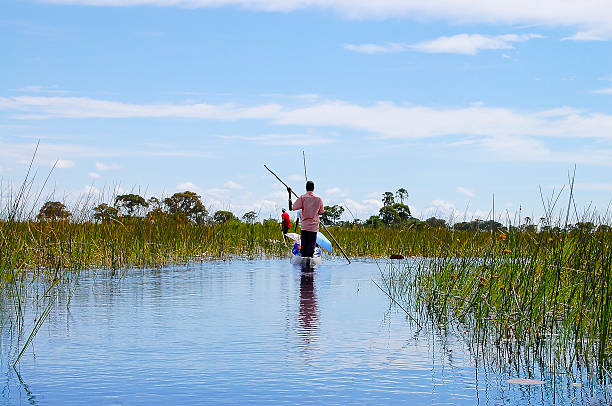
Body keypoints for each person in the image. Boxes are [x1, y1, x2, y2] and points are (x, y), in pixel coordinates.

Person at [288, 180, 324, 257]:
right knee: (311, 249)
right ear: (313, 188)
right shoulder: (319, 198)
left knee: (303, 250)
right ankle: (310, 265)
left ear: (306, 188)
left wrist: (289, 194)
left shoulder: (303, 197)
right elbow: (321, 212)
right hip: (314, 228)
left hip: (305, 227)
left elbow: (291, 208)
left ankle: (304, 265)